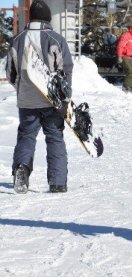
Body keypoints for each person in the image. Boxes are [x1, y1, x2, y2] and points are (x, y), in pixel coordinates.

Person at [6, 0, 73, 193]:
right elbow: (66, 69)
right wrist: (65, 96)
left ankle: (21, 169)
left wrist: (21, 88)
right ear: (47, 18)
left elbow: (11, 72)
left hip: (26, 99)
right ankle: (58, 182)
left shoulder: (17, 40)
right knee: (54, 137)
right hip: (52, 99)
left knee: (26, 136)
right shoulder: (56, 39)